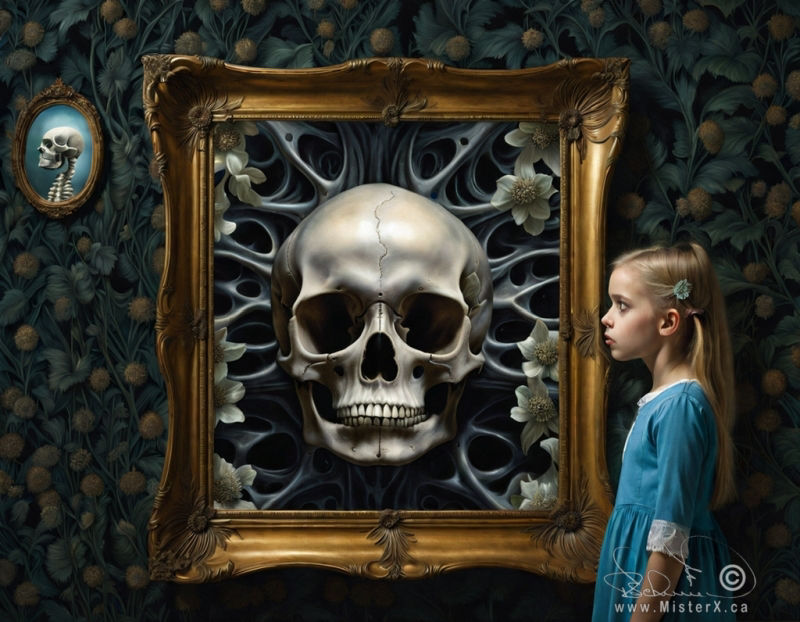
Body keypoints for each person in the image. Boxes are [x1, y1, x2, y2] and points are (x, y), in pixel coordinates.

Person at [592, 242, 741, 621]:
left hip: (664, 597)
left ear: (667, 322)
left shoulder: (681, 407)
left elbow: (671, 542)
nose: (607, 318)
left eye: (621, 305)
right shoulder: (663, 402)